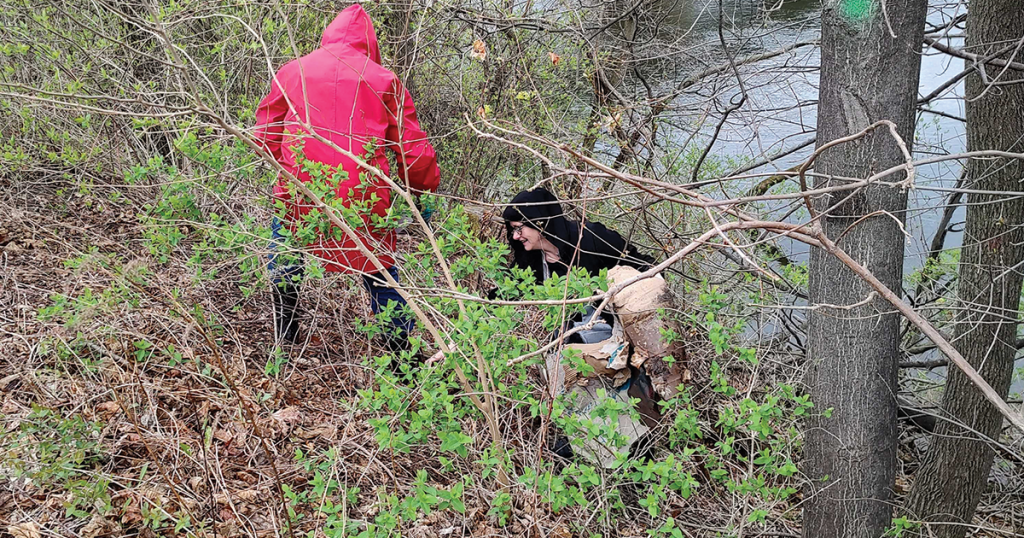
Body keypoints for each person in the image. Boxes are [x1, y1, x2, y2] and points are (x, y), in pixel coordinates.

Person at [254, 4, 440, 349]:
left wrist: (291, 166)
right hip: (363, 197)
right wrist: (423, 190)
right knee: (381, 272)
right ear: (369, 43)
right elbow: (412, 150)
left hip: (301, 190)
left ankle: (286, 335)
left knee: (286, 257)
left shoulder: (292, 71)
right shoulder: (384, 80)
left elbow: (264, 135)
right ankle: (403, 360)